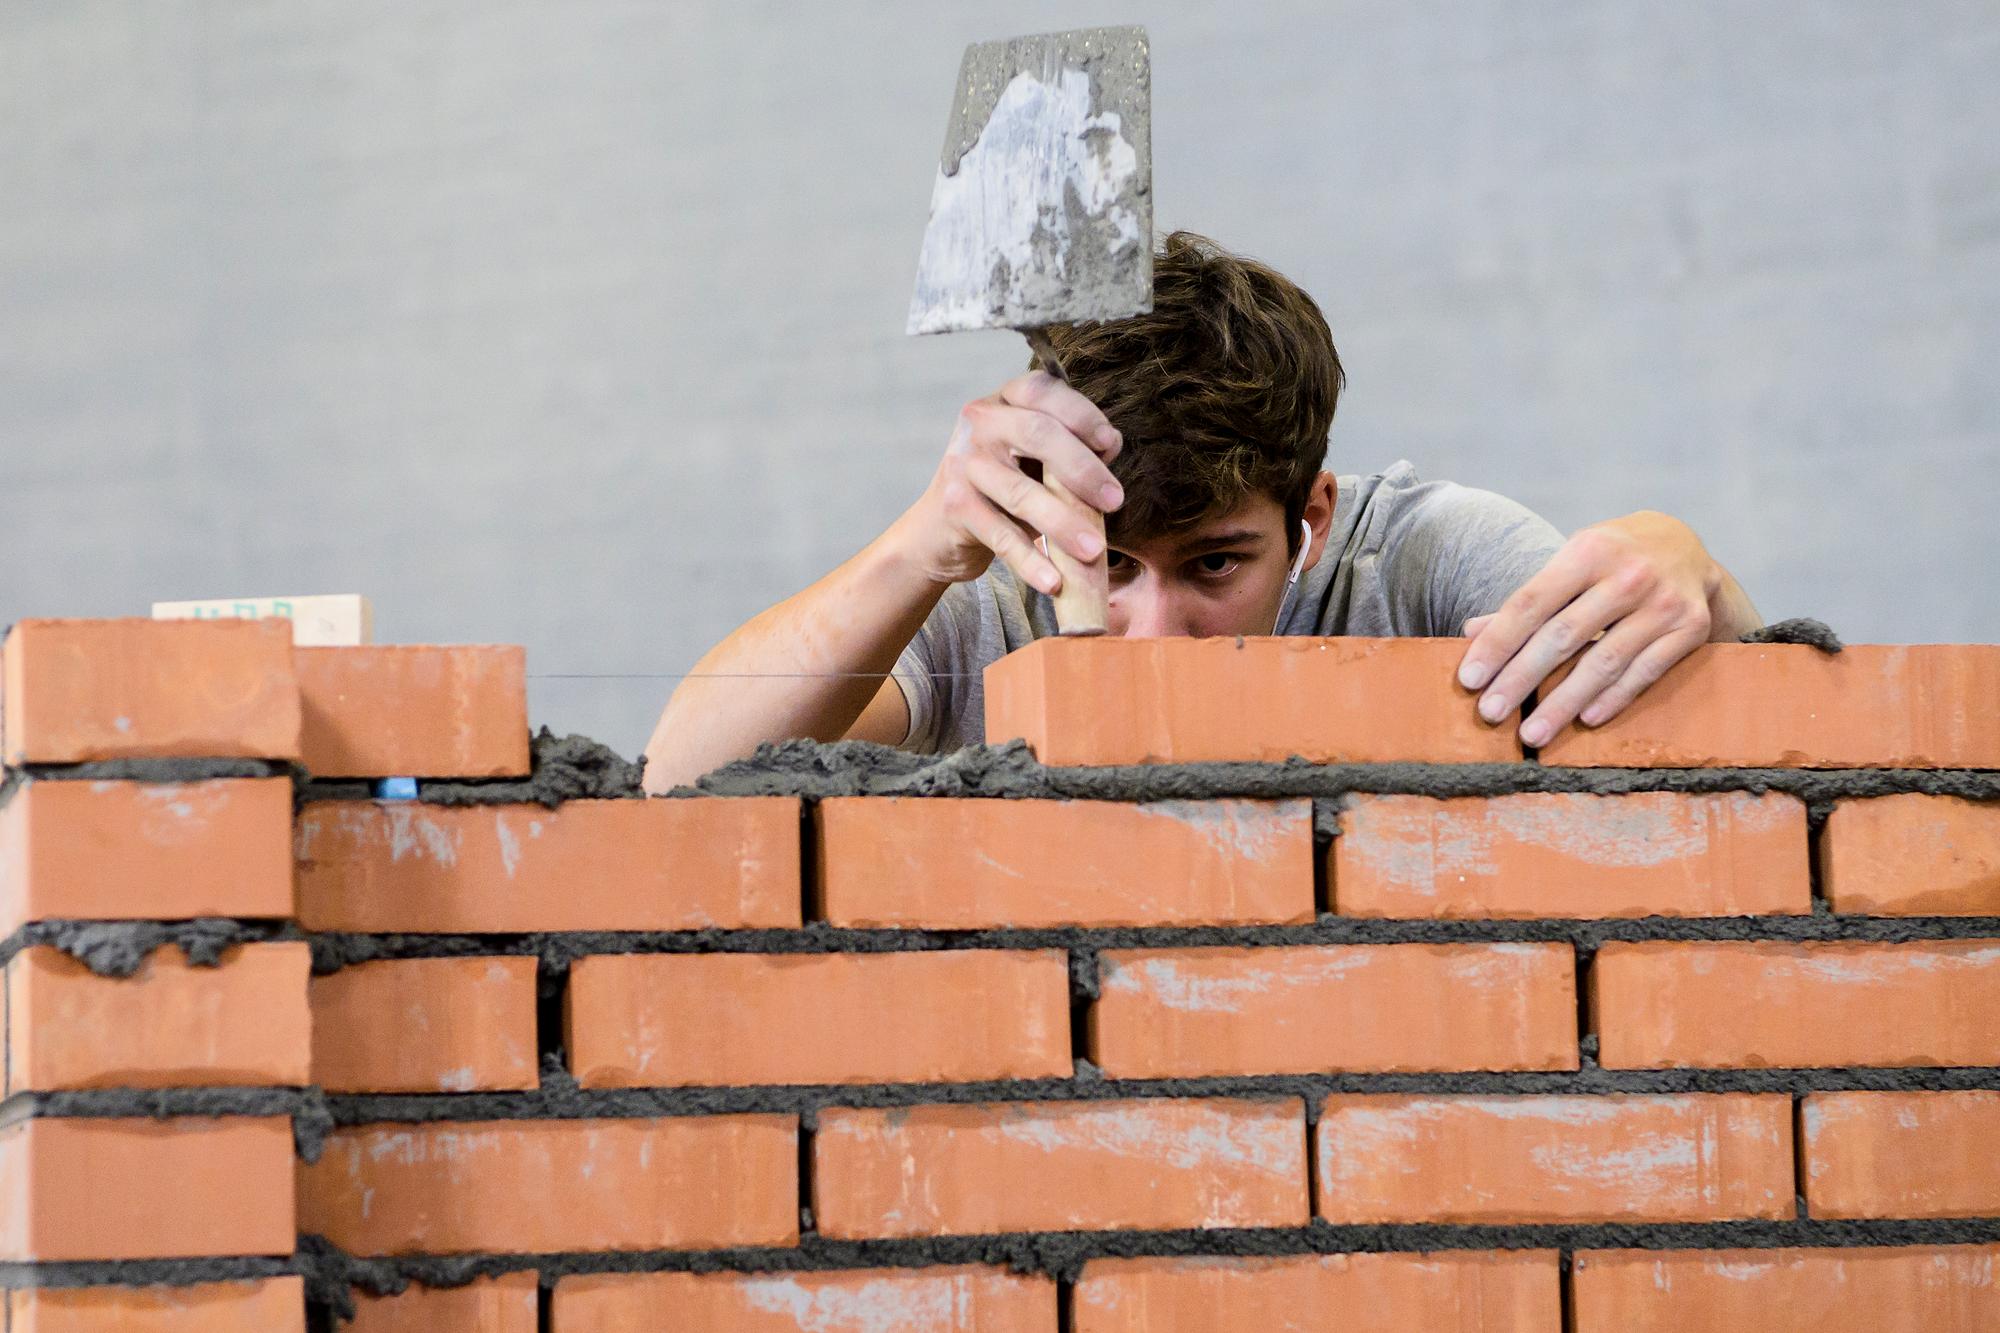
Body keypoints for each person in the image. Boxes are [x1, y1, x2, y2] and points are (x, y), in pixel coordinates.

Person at [643, 231, 1762, 791]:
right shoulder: (993, 602)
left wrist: (1691, 573)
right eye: (1113, 569)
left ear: (1310, 516)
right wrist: (917, 545)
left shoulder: (1414, 560)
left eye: (1214, 569)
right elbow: (681, 782)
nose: (1152, 638)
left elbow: (1744, 756)